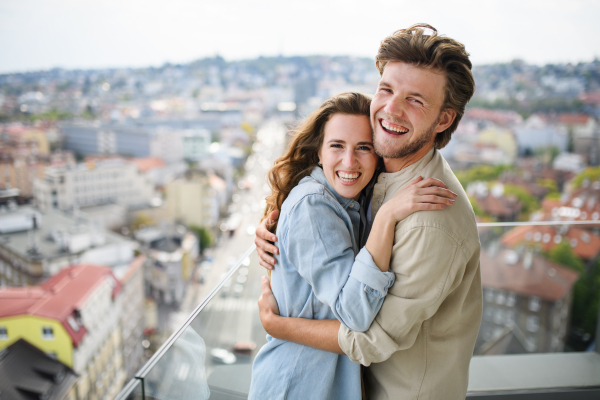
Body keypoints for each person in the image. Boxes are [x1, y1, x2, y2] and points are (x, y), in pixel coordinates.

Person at [255, 24, 483, 400]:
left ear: (443, 119)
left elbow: (368, 339)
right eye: (387, 89)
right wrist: (276, 228)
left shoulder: (430, 220)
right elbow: (325, 219)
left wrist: (276, 325)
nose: (391, 109)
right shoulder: (381, 172)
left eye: (415, 100)